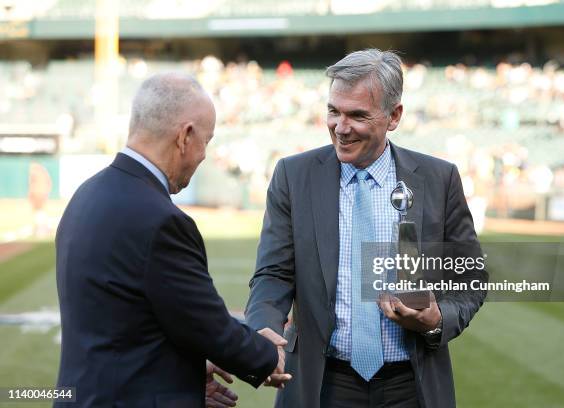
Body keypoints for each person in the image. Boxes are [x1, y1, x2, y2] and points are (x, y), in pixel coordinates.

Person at [245, 49, 488, 408]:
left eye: (357, 115)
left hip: (412, 386)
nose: (341, 127)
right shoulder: (293, 176)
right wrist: (262, 326)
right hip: (322, 384)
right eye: (333, 111)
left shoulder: (439, 179)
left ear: (394, 116)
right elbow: (273, 273)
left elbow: (470, 280)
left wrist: (436, 319)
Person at [55, 73, 289, 408]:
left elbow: (128, 327)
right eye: (206, 141)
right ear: (185, 136)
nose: (204, 154)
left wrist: (186, 377)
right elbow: (207, 324)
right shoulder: (161, 219)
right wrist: (266, 354)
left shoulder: (86, 194)